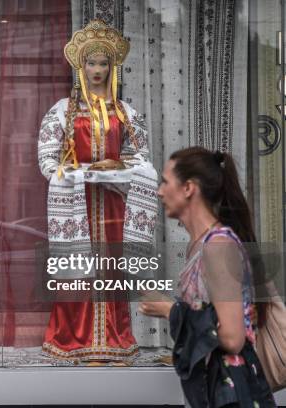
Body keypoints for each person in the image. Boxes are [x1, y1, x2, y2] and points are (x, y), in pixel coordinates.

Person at [38, 19, 159, 361]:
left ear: (112, 67)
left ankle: (113, 338)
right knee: (76, 269)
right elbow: (48, 160)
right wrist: (77, 172)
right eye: (91, 62)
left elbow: (142, 158)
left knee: (111, 268)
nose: (97, 70)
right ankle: (73, 338)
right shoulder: (62, 110)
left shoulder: (126, 113)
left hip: (112, 203)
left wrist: (118, 166)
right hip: (76, 203)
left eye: (103, 63)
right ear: (80, 66)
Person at [139, 147, 276, 407]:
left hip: (232, 394)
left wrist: (171, 310)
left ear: (188, 188)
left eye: (166, 182)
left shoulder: (218, 246)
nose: (159, 191)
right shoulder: (202, 245)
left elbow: (233, 338)